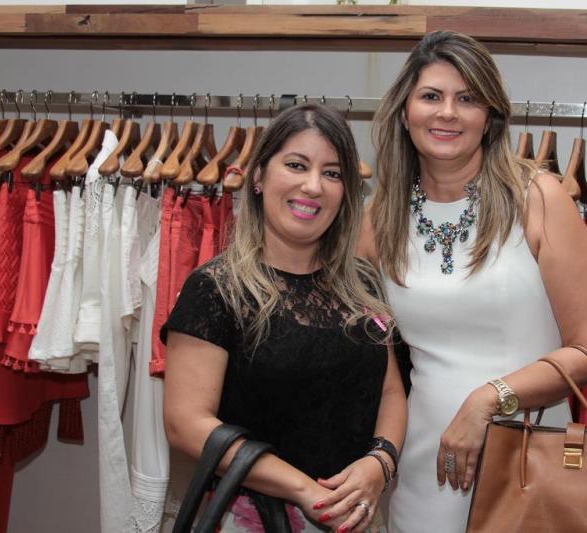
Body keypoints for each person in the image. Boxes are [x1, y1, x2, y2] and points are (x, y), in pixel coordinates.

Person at [360, 31, 587, 532]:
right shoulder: (379, 217)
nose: (447, 113)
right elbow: (362, 352)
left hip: (528, 460)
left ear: (490, 116)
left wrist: (487, 400)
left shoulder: (538, 198)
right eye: (431, 96)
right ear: (405, 111)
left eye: (467, 98)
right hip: (425, 466)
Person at [163, 104, 407, 533]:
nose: (313, 186)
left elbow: (390, 390)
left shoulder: (363, 283)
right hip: (255, 519)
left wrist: (379, 463)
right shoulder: (216, 289)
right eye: (296, 165)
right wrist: (303, 489)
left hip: (356, 516)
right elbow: (186, 425)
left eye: (332, 173)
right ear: (259, 176)